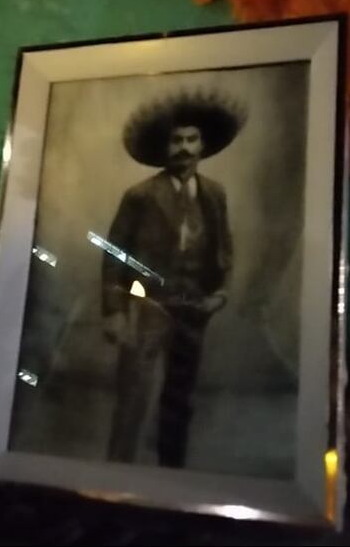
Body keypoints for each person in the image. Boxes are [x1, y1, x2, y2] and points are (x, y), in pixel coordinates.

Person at [102, 92, 245, 468]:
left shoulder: (214, 194)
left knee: (181, 396)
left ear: (202, 145)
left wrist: (220, 293)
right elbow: (114, 254)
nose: (184, 148)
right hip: (146, 305)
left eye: (191, 139)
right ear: (163, 148)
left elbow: (224, 248)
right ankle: (116, 472)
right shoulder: (140, 196)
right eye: (176, 140)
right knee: (134, 392)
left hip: (193, 307)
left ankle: (171, 472)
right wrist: (115, 310)